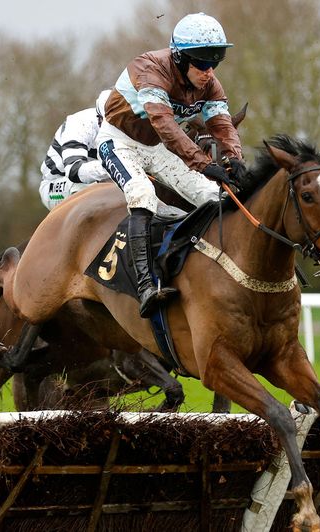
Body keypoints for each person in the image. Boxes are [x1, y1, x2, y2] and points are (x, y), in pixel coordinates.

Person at [96, 12, 252, 318]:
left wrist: (235, 159)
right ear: (180, 58)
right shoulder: (150, 69)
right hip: (119, 142)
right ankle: (145, 287)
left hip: (157, 147)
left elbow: (221, 124)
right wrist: (205, 164)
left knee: (213, 197)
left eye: (215, 62)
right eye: (203, 63)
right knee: (142, 194)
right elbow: (166, 126)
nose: (210, 71)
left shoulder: (210, 84)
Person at [38, 89, 113, 211]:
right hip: (56, 186)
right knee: (96, 189)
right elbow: (74, 170)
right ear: (101, 117)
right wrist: (117, 167)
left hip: (103, 182)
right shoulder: (80, 124)